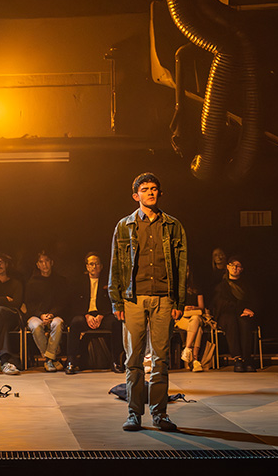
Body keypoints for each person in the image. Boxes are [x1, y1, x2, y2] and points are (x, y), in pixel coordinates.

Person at [110, 172, 188, 432]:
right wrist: (116, 302)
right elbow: (116, 265)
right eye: (145, 189)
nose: (150, 192)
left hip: (164, 298)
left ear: (160, 193)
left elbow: (181, 266)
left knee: (161, 360)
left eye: (154, 188)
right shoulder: (125, 226)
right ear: (136, 196)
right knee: (133, 359)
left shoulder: (173, 226)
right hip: (133, 298)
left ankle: (159, 414)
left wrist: (179, 301)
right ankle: (134, 414)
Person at [65, 252, 123, 374]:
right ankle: (71, 361)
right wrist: (86, 316)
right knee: (75, 322)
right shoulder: (79, 281)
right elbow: (74, 302)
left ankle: (116, 361)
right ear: (87, 266)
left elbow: (112, 301)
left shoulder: (108, 281)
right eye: (91, 264)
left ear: (101, 266)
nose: (94, 267)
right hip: (85, 314)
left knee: (116, 322)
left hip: (103, 315)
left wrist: (101, 315)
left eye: (97, 264)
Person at [213, 255, 258, 372]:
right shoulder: (221, 286)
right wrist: (239, 309)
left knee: (244, 323)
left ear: (241, 269)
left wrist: (250, 311)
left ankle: (247, 359)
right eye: (232, 265)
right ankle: (237, 358)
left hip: (243, 315)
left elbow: (254, 300)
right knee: (231, 322)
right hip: (227, 315)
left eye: (238, 266)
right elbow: (221, 304)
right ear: (227, 267)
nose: (235, 268)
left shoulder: (247, 285)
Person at [25, 251, 68, 372]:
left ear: (52, 262)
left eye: (47, 261)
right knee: (35, 326)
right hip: (37, 315)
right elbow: (29, 304)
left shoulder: (60, 281)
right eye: (41, 262)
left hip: (55, 314)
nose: (44, 264)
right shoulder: (32, 282)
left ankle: (48, 359)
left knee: (58, 324)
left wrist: (51, 314)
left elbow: (63, 302)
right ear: (37, 265)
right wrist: (41, 315)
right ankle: (51, 358)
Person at [174, 273, 205, 372]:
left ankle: (187, 349)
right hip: (181, 318)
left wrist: (193, 308)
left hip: (195, 316)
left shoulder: (196, 289)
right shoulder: (175, 289)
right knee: (198, 329)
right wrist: (183, 308)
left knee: (195, 319)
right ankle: (195, 359)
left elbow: (202, 307)